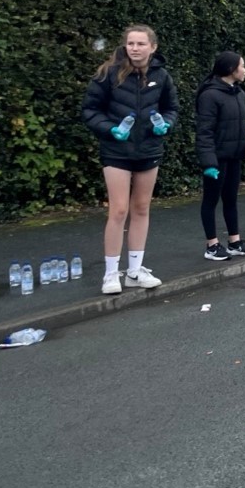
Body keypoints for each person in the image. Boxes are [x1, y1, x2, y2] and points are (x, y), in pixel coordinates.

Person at [81, 24, 178, 295]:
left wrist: (165, 125)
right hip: (116, 151)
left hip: (149, 149)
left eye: (140, 44)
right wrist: (110, 129)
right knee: (119, 210)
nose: (134, 48)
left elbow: (171, 109)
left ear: (153, 47)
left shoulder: (162, 75)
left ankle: (135, 271)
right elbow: (90, 110)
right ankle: (111, 274)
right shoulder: (108, 74)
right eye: (131, 44)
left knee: (141, 208)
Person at [195, 51, 245, 261]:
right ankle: (211, 245)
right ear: (231, 69)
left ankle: (234, 241)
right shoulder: (209, 95)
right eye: (242, 66)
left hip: (234, 156)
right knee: (210, 200)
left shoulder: (239, 94)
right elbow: (205, 132)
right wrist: (208, 162)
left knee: (231, 199)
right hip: (216, 158)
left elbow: (241, 126)